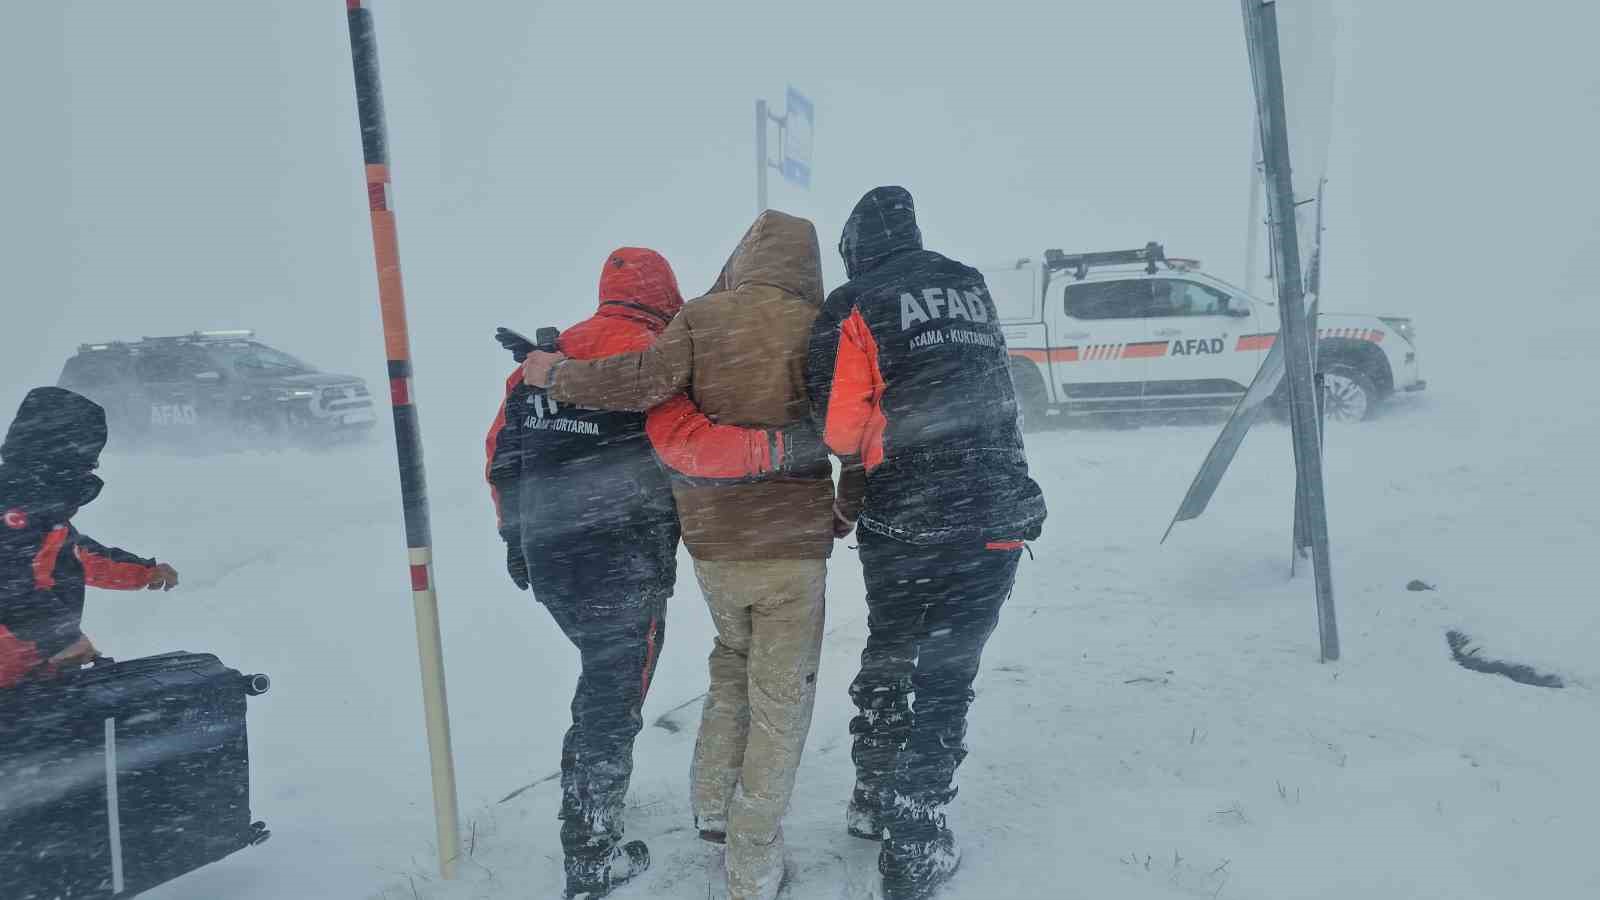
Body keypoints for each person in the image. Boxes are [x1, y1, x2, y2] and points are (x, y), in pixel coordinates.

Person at [521, 211, 834, 900]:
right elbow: (850, 423)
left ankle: (712, 802)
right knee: (780, 700)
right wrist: (843, 497)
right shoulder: (821, 324)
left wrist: (555, 377)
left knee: (732, 664)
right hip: (783, 545)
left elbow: (633, 388)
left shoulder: (694, 320)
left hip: (711, 547)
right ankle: (751, 863)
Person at [809, 187, 1046, 899]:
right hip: (996, 508)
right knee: (948, 674)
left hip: (905, 514)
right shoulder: (969, 285)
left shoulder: (854, 302)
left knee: (892, 646)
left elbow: (839, 427)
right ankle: (917, 834)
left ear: (855, 246)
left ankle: (881, 798)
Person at [485, 247, 686, 899]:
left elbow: (500, 454)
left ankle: (591, 813)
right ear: (665, 295)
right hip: (622, 561)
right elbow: (687, 449)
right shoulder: (658, 362)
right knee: (610, 696)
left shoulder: (547, 356)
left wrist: (514, 532)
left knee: (601, 681)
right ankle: (591, 855)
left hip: (549, 556)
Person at [1, 387, 180, 690]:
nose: (91, 469)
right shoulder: (12, 510)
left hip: (26, 680)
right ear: (58, 455)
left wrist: (144, 571)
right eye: (87, 460)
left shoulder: (42, 513)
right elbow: (8, 582)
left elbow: (79, 556)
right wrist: (60, 639)